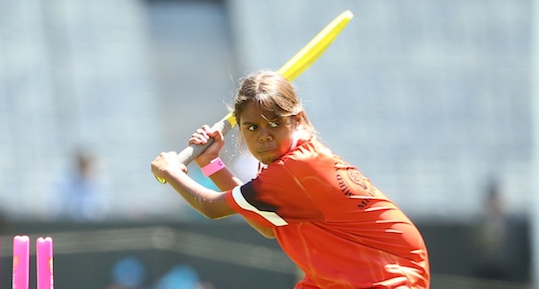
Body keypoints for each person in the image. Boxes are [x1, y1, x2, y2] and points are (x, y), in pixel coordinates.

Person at [151, 70, 430, 288]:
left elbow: (212, 207)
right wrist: (211, 164)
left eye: (275, 123)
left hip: (389, 275)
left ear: (297, 120)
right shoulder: (285, 164)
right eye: (252, 127)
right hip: (340, 278)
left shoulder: (296, 169)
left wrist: (170, 171)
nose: (264, 136)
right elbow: (267, 225)